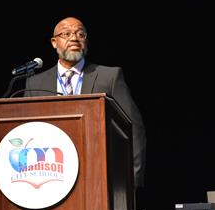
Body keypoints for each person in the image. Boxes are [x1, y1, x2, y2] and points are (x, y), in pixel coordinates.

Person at [24, 16, 146, 187]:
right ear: (54, 42)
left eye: (80, 34)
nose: (74, 38)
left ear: (86, 42)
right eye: (66, 33)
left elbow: (133, 127)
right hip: (51, 176)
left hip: (100, 177)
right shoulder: (35, 83)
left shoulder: (109, 77)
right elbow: (27, 132)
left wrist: (132, 178)